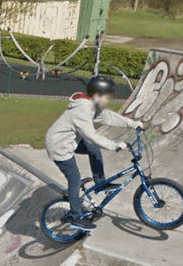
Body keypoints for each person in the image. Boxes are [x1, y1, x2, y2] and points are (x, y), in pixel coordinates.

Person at [46, 76, 143, 231]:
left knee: (93, 149)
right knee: (75, 179)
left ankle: (100, 184)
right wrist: (114, 145)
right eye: (107, 98)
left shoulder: (92, 106)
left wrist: (133, 124)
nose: (109, 101)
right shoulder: (82, 110)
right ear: (97, 96)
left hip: (71, 141)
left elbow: (109, 117)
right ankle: (75, 216)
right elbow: (91, 135)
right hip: (59, 146)